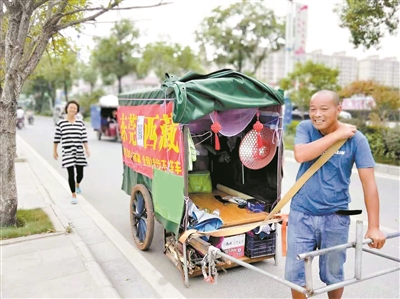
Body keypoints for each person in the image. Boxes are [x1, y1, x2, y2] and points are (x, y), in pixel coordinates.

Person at [285, 90, 386, 299]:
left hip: (336, 217)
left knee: (333, 274)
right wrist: (337, 135)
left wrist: (374, 227)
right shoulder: (306, 128)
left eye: (323, 109)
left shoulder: (357, 140)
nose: (317, 114)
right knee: (296, 274)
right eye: (313, 109)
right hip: (301, 214)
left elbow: (369, 184)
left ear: (338, 109)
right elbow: (301, 155)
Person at [53, 100, 90, 204]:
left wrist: (87, 149)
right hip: (67, 151)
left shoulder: (80, 123)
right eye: (71, 107)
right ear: (67, 109)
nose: (72, 109)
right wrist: (55, 151)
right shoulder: (61, 123)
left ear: (77, 110)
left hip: (79, 151)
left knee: (80, 174)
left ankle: (78, 184)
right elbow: (56, 139)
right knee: (70, 173)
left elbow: (84, 137)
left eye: (75, 108)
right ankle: (73, 194)